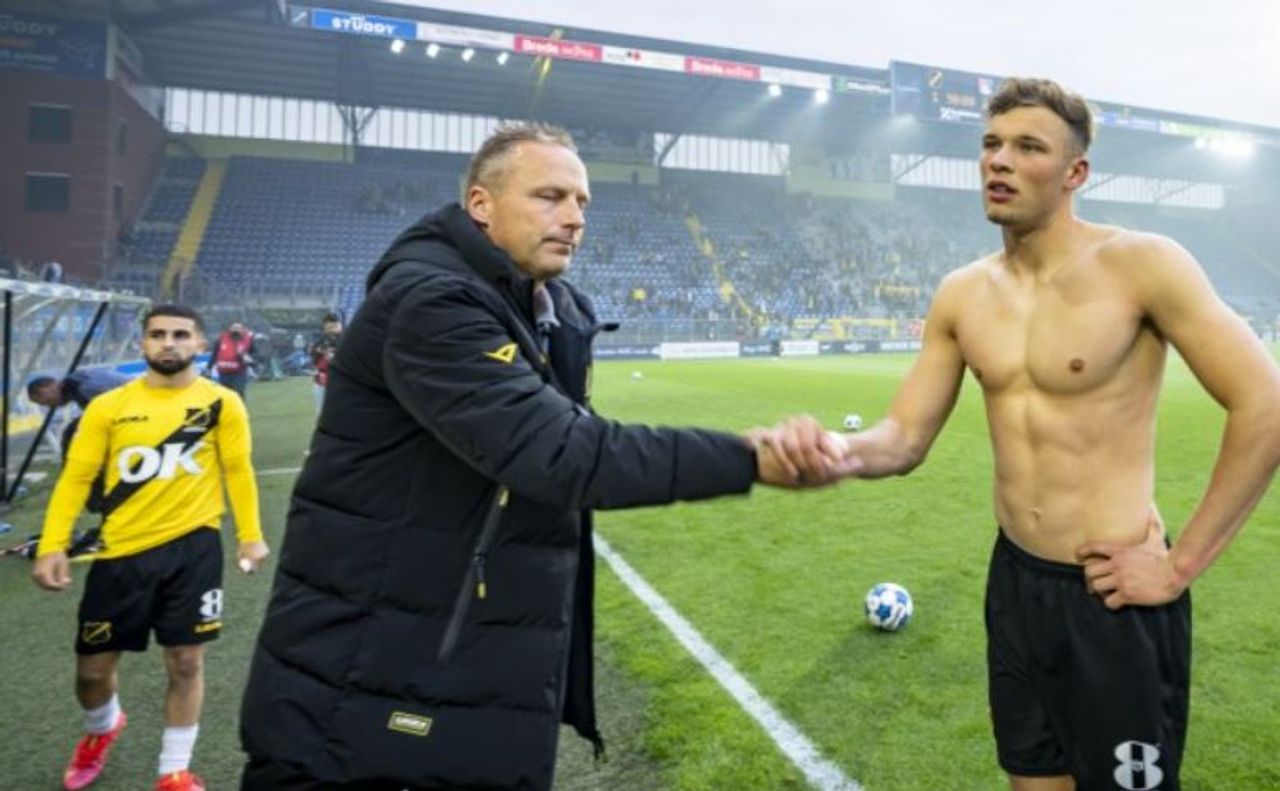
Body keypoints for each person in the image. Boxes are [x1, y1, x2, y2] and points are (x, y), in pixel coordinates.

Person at [238, 123, 844, 791]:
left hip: (452, 668)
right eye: (550, 196)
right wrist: (748, 457)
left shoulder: (545, 308)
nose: (574, 217)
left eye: (583, 202)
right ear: (480, 204)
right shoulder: (430, 302)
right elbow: (560, 453)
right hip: (365, 689)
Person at [830, 78, 1280, 790]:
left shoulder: (1142, 265)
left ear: (1075, 174)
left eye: (1027, 147)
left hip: (1113, 595)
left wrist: (1178, 564)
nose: (998, 161)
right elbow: (904, 439)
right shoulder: (962, 292)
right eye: (990, 144)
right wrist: (830, 452)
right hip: (1015, 584)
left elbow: (1267, 402)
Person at [32, 304, 271, 791]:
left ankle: (173, 771)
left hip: (194, 548)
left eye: (180, 334)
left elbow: (238, 472)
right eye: (157, 334)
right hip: (120, 554)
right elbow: (76, 479)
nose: (168, 342)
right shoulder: (107, 407)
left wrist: (250, 534)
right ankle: (103, 727)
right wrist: (52, 544)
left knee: (186, 660)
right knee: (93, 673)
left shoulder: (222, 404)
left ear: (200, 345)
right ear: (142, 344)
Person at [306, 312, 342, 413]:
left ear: (339, 324)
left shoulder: (347, 339)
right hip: (322, 379)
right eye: (329, 327)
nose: (332, 329)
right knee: (322, 413)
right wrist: (318, 351)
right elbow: (313, 355)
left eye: (334, 326)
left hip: (341, 380)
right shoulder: (320, 340)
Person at [209, 321, 254, 398]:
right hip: (223, 372)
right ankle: (227, 409)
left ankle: (239, 409)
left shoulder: (247, 340)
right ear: (230, 329)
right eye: (234, 327)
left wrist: (248, 358)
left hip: (239, 372)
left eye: (238, 328)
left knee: (238, 392)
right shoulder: (222, 338)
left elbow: (254, 353)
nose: (236, 330)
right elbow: (215, 353)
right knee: (225, 394)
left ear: (242, 330)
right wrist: (209, 367)